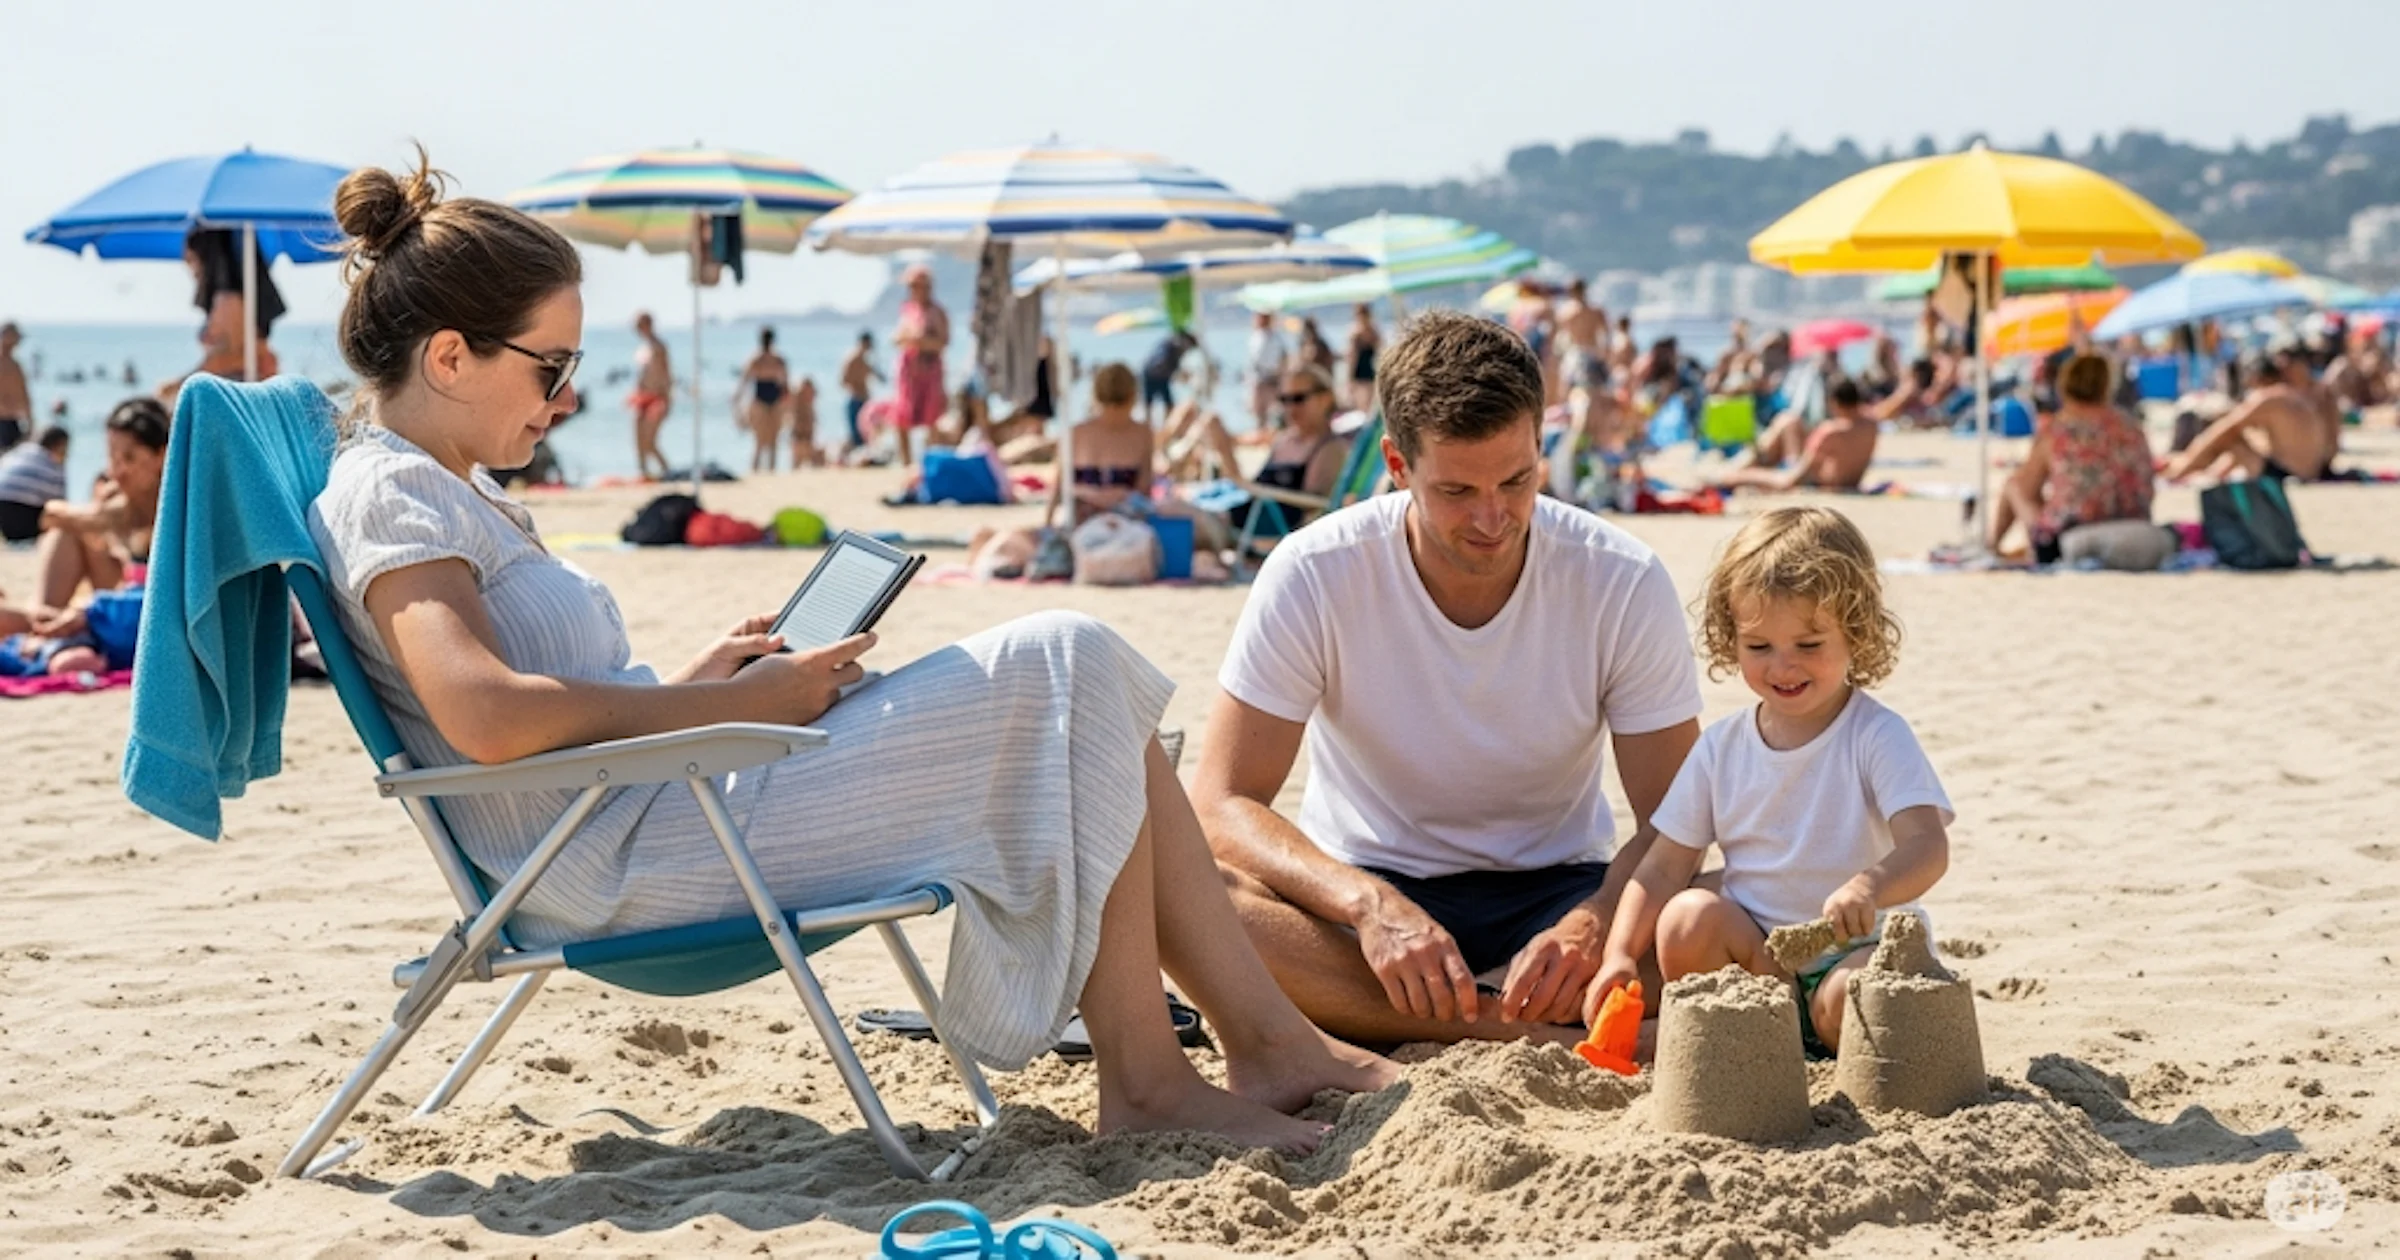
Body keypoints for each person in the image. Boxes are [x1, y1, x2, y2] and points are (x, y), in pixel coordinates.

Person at [309, 152, 1393, 1153]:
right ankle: (1172, 1076)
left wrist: (710, 683)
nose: (567, 396)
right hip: (620, 863)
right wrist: (721, 711)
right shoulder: (395, 491)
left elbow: (541, 703)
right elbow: (486, 717)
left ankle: (1252, 1047)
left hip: (653, 806)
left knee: (1081, 681)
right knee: (1067, 660)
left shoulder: (455, 488)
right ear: (449, 357)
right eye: (551, 365)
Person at [1194, 311, 1704, 1046]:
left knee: (1729, 911)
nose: (1494, 519)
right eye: (1458, 492)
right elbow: (1221, 804)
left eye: (1518, 480)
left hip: (1558, 887)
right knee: (1189, 900)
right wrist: (1367, 905)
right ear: (1398, 467)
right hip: (1365, 887)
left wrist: (1594, 926)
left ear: (1541, 449)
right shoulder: (1314, 572)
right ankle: (1525, 1034)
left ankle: (1428, 1023)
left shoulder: (1619, 578)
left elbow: (1676, 820)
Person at [1588, 507, 1952, 1055]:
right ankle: (1757, 1045)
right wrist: (1618, 952)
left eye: (1808, 646)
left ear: (1855, 631)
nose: (1783, 667)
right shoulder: (1722, 747)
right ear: (1730, 638)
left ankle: (1822, 1033)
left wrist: (1871, 886)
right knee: (1687, 919)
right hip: (1760, 960)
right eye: (1759, 647)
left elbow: (1928, 846)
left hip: (1853, 948)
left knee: (1857, 999)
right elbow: (1664, 865)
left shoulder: (1875, 734)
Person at [1990, 354, 2155, 562]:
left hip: (2067, 536)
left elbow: (2027, 486)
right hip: (2135, 522)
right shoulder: (2131, 426)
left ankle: (1992, 547)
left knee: (2014, 484)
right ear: (2106, 385)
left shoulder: (2057, 429)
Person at [29, 397, 168, 615]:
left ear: (161, 454)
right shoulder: (116, 500)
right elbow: (60, 516)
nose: (117, 471)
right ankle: (43, 617)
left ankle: (42, 621)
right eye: (112, 458)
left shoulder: (180, 504)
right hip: (119, 606)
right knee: (67, 530)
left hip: (152, 613)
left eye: (129, 458)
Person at [2165, 346, 2335, 483]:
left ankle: (2181, 472)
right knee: (2245, 437)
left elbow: (2225, 429)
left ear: (2256, 378)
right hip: (2313, 470)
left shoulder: (2268, 398)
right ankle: (2207, 471)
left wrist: (2186, 461)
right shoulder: (2296, 396)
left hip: (2289, 474)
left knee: (2231, 439)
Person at [1717, 379, 1879, 493]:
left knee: (1783, 423)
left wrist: (1745, 477)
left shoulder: (1831, 431)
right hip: (1848, 482)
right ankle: (1747, 461)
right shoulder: (1871, 423)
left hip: (1815, 482)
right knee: (1789, 421)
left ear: (1834, 403)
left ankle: (1737, 469)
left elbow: (1793, 478)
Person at [179, 229, 285, 386]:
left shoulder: (228, 299)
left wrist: (181, 384)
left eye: (191, 257)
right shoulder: (241, 295)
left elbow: (235, 356)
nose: (186, 263)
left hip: (236, 390)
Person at [892, 264, 950, 469]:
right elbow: (897, 338)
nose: (915, 290)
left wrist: (920, 341)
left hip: (929, 369)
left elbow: (942, 342)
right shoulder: (908, 310)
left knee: (932, 417)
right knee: (902, 416)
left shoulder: (936, 312)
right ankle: (906, 463)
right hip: (909, 371)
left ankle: (931, 461)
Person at [0, 424, 70, 542]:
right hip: (22, 518)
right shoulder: (53, 465)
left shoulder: (19, 451)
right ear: (59, 445)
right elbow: (60, 502)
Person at [737, 327, 790, 473]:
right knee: (762, 440)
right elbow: (745, 381)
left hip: (772, 400)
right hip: (762, 400)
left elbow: (785, 385)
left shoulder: (773, 360)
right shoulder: (759, 360)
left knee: (769, 440)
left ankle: (767, 470)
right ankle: (758, 470)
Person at [628, 312, 673, 481]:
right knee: (638, 437)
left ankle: (667, 470)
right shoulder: (644, 347)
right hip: (642, 395)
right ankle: (643, 472)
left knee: (650, 440)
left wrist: (667, 399)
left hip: (657, 395)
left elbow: (667, 374)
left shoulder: (659, 347)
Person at [839, 331, 884, 459]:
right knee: (857, 435)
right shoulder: (853, 358)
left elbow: (877, 375)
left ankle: (857, 458)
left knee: (865, 434)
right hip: (856, 400)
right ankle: (844, 458)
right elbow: (843, 380)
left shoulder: (863, 359)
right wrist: (856, 388)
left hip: (863, 400)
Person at [1140, 330, 1194, 425]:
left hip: (1157, 376)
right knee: (1153, 404)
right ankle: (1153, 426)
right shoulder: (1171, 347)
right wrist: (1178, 375)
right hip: (1153, 376)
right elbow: (1162, 364)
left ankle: (1165, 426)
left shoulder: (1171, 346)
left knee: (1164, 404)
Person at [1246, 312, 1288, 429]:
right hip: (1260, 379)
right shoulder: (1257, 337)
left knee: (1275, 412)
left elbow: (1282, 358)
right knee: (1260, 414)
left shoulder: (1274, 337)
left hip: (1271, 379)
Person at [1343, 304, 1381, 412]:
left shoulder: (1357, 333)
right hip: (1365, 372)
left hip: (1364, 372)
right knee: (1366, 405)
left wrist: (1349, 379)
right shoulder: (1372, 331)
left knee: (1365, 406)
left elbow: (1351, 358)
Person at [0, 322, 30, 451]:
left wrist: (30, 422)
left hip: (13, 421)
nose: (18, 342)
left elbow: (24, 396)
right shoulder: (13, 366)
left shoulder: (15, 365)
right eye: (16, 337)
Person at [789, 376, 821, 469]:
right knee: (797, 462)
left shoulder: (809, 407)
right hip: (798, 436)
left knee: (810, 460)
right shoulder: (797, 407)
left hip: (807, 436)